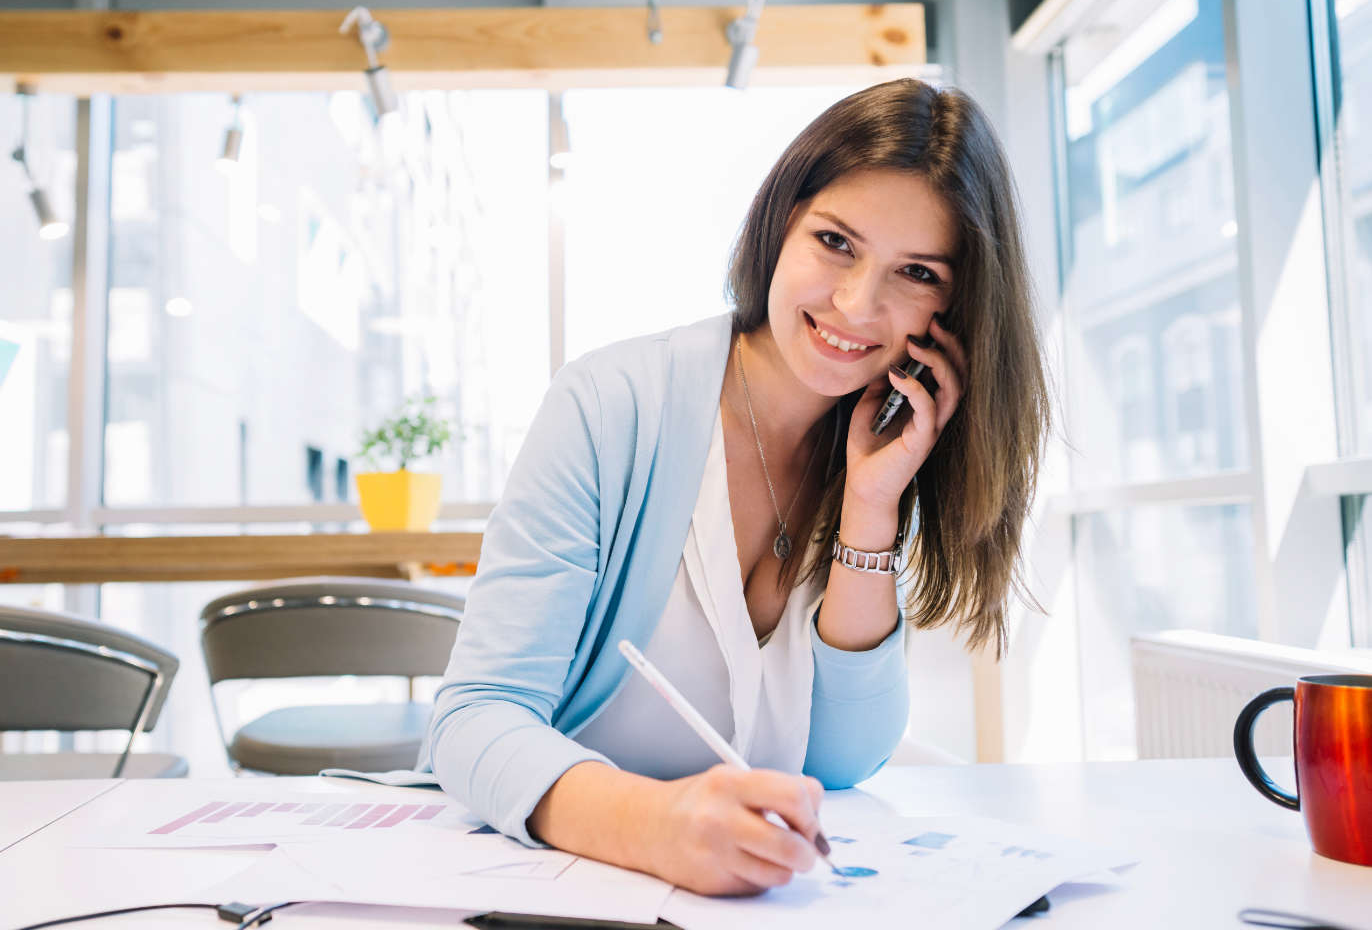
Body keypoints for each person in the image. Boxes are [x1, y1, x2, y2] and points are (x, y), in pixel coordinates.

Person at [420, 77, 1051, 897]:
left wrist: (870, 508)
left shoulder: (880, 441)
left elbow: (843, 758)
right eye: (836, 243)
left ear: (959, 306)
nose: (858, 304)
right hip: (559, 884)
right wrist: (660, 827)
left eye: (917, 272)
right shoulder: (610, 405)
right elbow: (473, 721)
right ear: (780, 223)